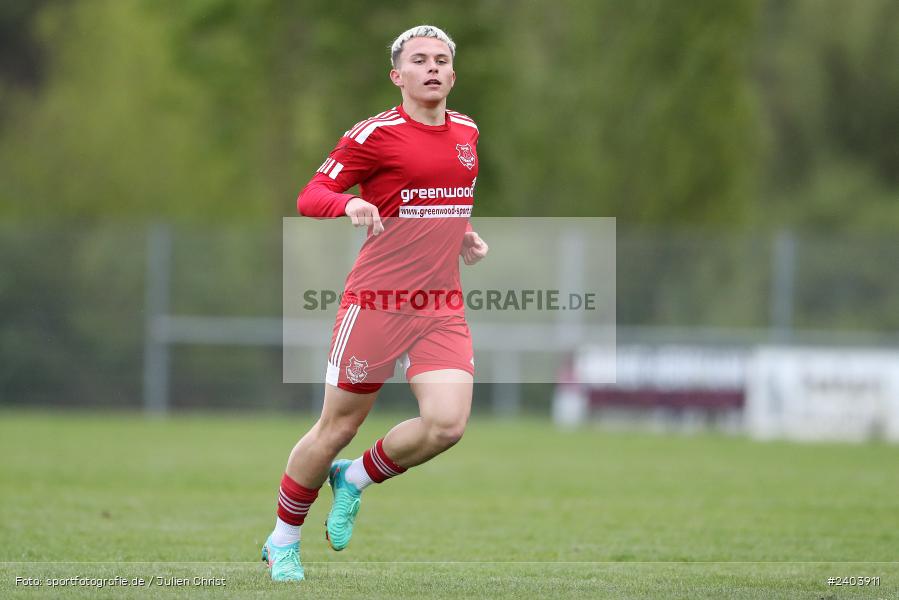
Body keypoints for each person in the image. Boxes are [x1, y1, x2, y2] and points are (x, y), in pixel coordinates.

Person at [262, 24, 489, 581]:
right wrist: (347, 207)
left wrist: (462, 235)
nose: (432, 68)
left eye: (441, 60)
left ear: (453, 74)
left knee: (446, 425)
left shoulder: (467, 131)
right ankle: (283, 539)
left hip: (440, 305)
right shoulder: (374, 135)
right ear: (398, 76)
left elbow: (438, 201)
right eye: (420, 60)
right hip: (378, 304)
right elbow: (311, 194)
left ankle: (356, 478)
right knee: (336, 426)